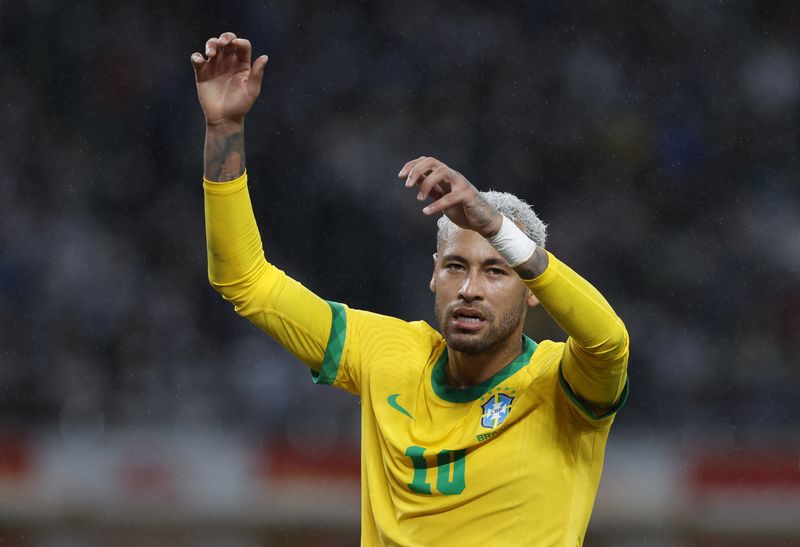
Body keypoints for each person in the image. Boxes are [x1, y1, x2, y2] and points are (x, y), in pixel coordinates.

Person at [191, 31, 629, 546]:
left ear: (533, 288)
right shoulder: (385, 352)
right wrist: (224, 130)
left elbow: (608, 339)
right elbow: (243, 279)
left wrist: (496, 228)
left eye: (495, 270)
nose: (469, 288)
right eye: (455, 267)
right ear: (433, 273)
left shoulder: (562, 386)